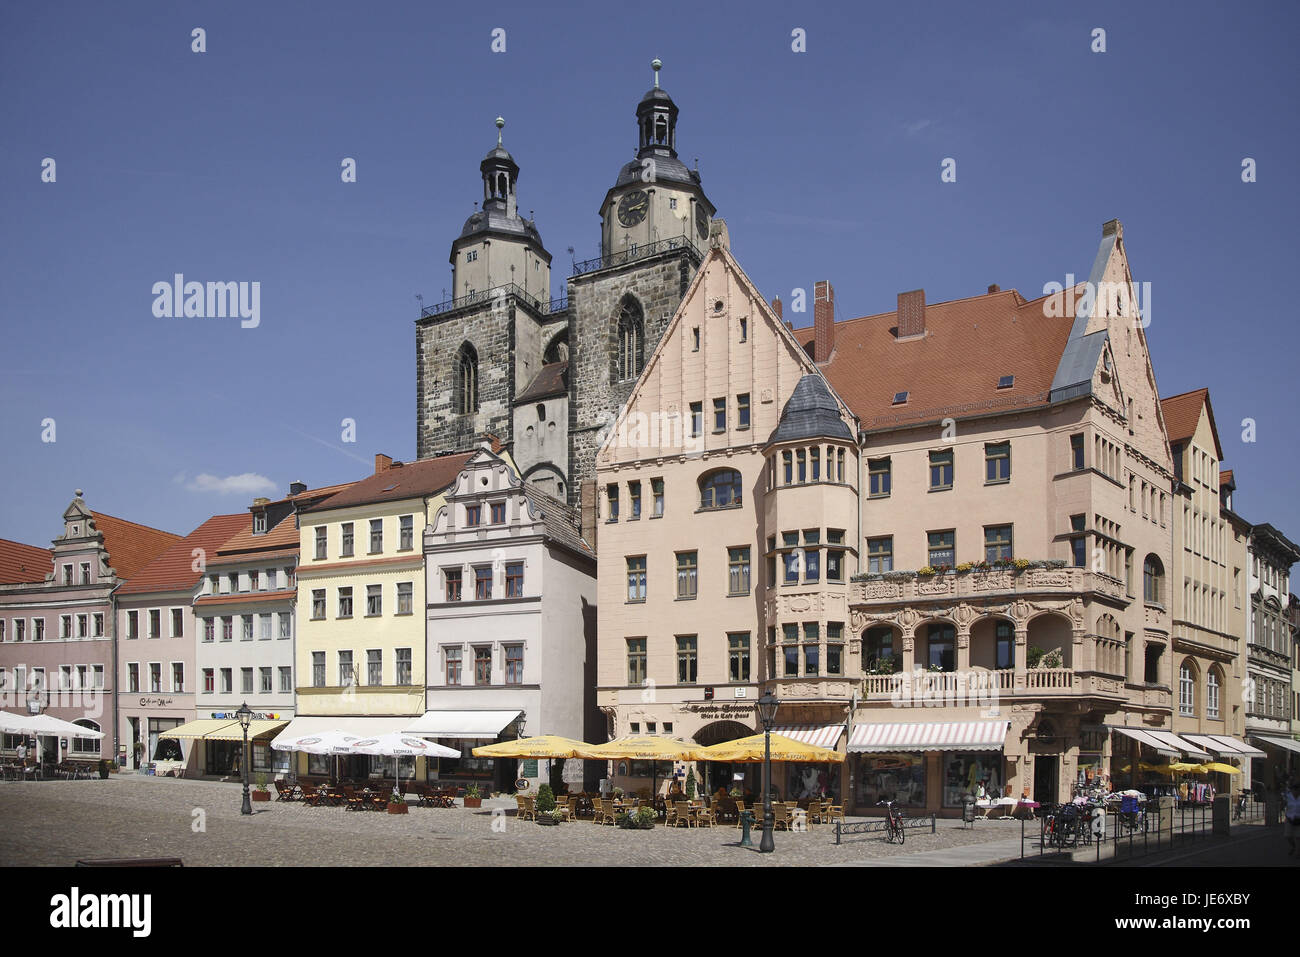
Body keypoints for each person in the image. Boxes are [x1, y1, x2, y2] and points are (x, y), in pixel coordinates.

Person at [1284, 780, 1300, 858]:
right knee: (1288, 836)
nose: (1295, 792)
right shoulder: (1288, 796)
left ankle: (1297, 851)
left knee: (1298, 837)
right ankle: (1293, 846)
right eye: (1294, 790)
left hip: (1299, 820)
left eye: (1297, 790)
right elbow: (1285, 805)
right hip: (1289, 819)